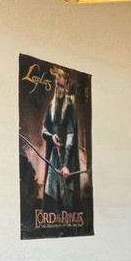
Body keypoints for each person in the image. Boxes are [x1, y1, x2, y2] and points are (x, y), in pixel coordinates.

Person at [41, 69, 80, 213]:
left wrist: (66, 165)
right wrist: (51, 136)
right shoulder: (51, 106)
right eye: (57, 85)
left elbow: (71, 134)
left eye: (62, 86)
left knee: (67, 201)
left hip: (66, 159)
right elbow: (43, 130)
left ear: (66, 87)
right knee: (52, 199)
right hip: (53, 159)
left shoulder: (70, 106)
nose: (60, 89)